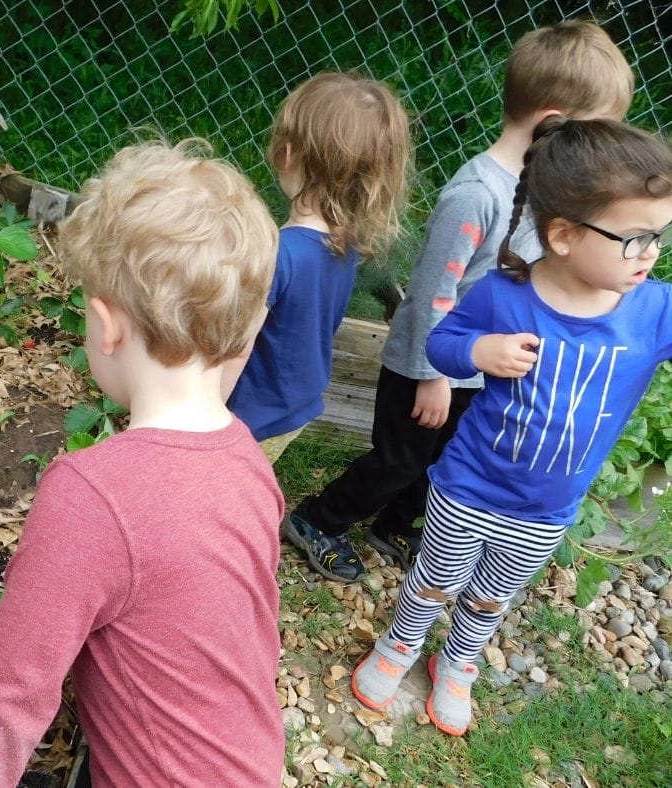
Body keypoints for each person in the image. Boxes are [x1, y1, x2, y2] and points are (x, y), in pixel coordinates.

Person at [0, 140, 285, 787]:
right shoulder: (250, 466)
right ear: (244, 330)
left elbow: (5, 697)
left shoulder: (92, 495)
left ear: (105, 325)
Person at [352, 116, 672, 736]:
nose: (651, 253)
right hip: (468, 486)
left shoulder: (655, 312)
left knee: (491, 596)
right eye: (634, 239)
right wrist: (477, 354)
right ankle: (399, 644)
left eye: (660, 236)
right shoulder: (505, 295)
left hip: (546, 507)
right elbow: (442, 344)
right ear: (563, 236)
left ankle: (460, 661)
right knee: (436, 578)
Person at [283, 21, 633, 582]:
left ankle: (395, 524)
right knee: (400, 459)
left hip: (478, 362)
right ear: (553, 123)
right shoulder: (476, 196)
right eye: (593, 136)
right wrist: (433, 374)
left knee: (443, 460)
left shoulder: (543, 190)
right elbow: (431, 294)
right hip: (429, 363)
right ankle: (319, 519)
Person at [228, 71, 410, 466]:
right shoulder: (344, 243)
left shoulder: (279, 253)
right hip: (295, 406)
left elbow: (237, 348)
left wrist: (204, 415)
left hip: (247, 417)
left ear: (287, 152)